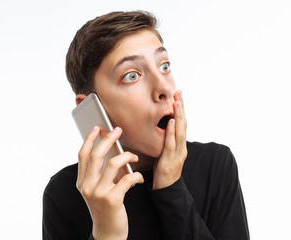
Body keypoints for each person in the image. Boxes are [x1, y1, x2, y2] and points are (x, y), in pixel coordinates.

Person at [42, 11, 250, 240]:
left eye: (164, 66)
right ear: (90, 107)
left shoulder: (214, 165)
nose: (164, 88)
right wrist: (106, 234)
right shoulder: (64, 194)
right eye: (132, 76)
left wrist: (172, 189)